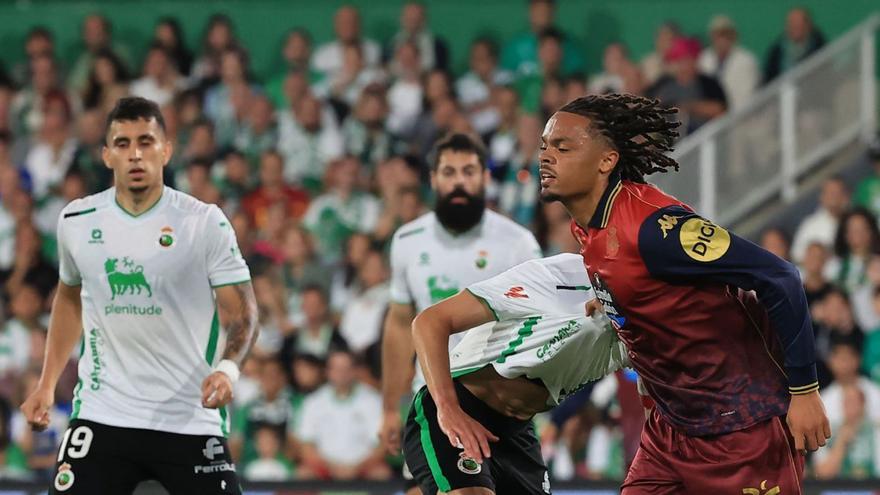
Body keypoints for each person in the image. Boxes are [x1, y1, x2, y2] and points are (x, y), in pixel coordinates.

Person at [538, 94, 829, 493]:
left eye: (562, 147)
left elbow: (779, 277)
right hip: (671, 431)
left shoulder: (658, 229)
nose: (546, 156)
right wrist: (618, 304)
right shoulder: (587, 227)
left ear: (606, 160)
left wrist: (805, 392)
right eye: (544, 146)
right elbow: (650, 286)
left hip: (742, 428)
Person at [20, 96, 259, 494]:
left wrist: (228, 370)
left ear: (166, 151)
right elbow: (68, 297)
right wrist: (47, 384)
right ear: (106, 155)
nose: (135, 154)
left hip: (188, 415)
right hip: (103, 413)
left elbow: (244, 313)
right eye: (123, 143)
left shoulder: (203, 222)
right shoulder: (77, 221)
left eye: (146, 142)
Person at [379, 133, 541, 494]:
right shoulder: (407, 241)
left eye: (468, 171)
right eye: (449, 172)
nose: (459, 181)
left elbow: (540, 325)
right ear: (433, 179)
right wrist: (389, 405)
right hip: (433, 401)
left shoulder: (517, 244)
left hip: (499, 402)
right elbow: (399, 327)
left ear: (485, 178)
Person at [404, 252, 626, 494]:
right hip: (462, 409)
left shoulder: (650, 327)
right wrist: (448, 408)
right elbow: (430, 321)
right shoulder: (559, 276)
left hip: (518, 433)